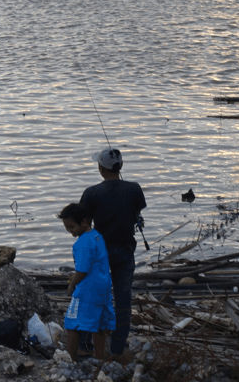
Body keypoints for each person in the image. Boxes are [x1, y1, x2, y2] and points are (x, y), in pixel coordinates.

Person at [80, 147, 147, 361]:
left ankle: (85, 343)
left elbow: (83, 225)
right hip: (125, 250)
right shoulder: (134, 189)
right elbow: (137, 213)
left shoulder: (91, 193)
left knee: (92, 295)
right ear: (121, 167)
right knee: (123, 299)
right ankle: (117, 347)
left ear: (101, 168)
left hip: (100, 252)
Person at [59, 202, 114, 361]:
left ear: (84, 222)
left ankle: (70, 359)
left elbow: (82, 270)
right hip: (102, 286)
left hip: (87, 289)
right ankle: (100, 356)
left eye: (72, 227)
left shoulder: (82, 243)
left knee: (72, 323)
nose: (70, 232)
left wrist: (72, 284)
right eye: (67, 228)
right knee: (99, 324)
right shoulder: (97, 236)